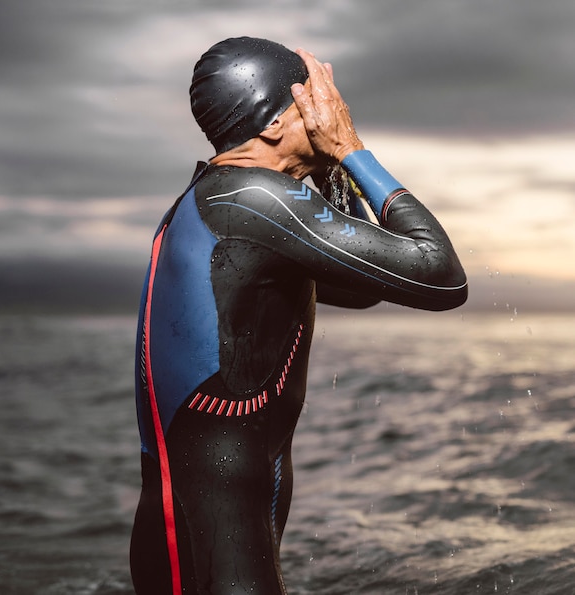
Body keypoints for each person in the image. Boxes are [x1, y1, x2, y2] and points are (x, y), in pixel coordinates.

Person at [130, 37, 467, 595]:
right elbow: (440, 275)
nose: (330, 112)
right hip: (212, 542)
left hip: (215, 520)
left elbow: (365, 289)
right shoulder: (251, 200)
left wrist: (331, 168)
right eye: (314, 102)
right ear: (272, 122)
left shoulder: (220, 201)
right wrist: (353, 150)